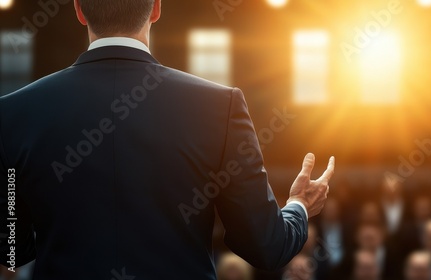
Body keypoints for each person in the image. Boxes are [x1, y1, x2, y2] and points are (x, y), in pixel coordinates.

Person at [0, 0, 335, 278]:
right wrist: (300, 206)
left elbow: (11, 249)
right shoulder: (219, 107)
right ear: (156, 8)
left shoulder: (14, 112)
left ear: (79, 10)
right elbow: (266, 245)